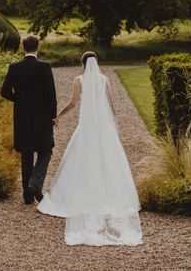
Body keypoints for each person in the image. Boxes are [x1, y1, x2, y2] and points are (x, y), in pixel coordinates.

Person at [37, 51, 142, 246]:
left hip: (86, 127)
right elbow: (110, 103)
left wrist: (59, 115)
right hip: (104, 127)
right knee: (109, 160)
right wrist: (112, 121)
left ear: (83, 63)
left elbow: (73, 103)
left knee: (82, 161)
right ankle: (109, 195)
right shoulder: (104, 80)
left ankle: (80, 195)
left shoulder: (79, 80)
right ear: (96, 63)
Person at [0, 35, 56, 205]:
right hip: (42, 116)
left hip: (22, 117)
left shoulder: (14, 67)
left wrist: (19, 100)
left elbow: (4, 91)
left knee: (26, 153)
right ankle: (35, 183)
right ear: (37, 47)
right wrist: (53, 115)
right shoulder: (44, 66)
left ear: (23, 48)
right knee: (46, 149)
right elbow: (51, 94)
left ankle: (28, 194)